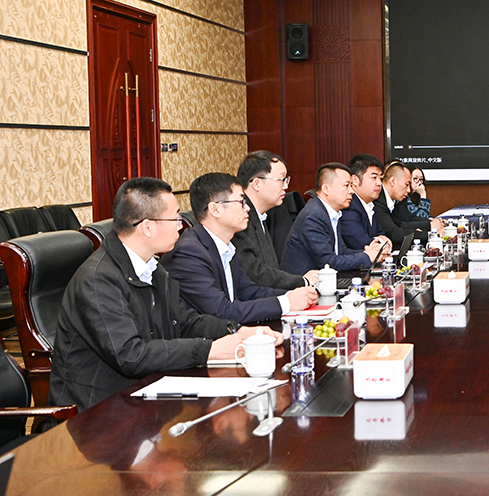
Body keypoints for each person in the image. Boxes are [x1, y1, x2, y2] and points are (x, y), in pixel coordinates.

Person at [49, 177, 283, 412]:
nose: (181, 226)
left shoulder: (153, 268)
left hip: (147, 394)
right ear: (148, 227)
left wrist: (237, 331)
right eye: (175, 218)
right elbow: (130, 355)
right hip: (98, 412)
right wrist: (208, 351)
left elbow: (185, 322)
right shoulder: (98, 279)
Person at [161, 173, 317, 324]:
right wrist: (286, 303)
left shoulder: (226, 245)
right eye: (241, 202)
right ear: (215, 210)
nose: (247, 208)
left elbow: (248, 291)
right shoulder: (188, 252)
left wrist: (294, 295)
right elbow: (221, 311)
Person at [280, 163, 389, 275]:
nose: (351, 191)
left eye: (351, 185)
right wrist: (367, 257)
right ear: (326, 189)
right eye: (346, 185)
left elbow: (341, 251)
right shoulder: (313, 216)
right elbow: (328, 262)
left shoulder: (331, 212)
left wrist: (370, 252)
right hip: (304, 282)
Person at [233, 150, 318, 289]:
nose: (286, 186)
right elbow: (255, 274)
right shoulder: (239, 219)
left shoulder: (261, 215)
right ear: (257, 184)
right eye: (281, 180)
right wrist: (302, 282)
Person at [375, 161, 445, 249]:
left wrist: (428, 226)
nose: (408, 190)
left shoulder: (392, 200)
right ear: (393, 181)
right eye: (407, 184)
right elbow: (395, 234)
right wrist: (431, 235)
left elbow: (400, 224)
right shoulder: (378, 200)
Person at [340, 154, 389, 252]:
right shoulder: (348, 206)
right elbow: (362, 244)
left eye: (380, 178)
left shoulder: (369, 204)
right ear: (355, 180)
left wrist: (382, 242)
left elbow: (381, 234)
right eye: (374, 177)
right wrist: (382, 243)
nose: (379, 183)